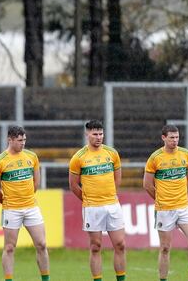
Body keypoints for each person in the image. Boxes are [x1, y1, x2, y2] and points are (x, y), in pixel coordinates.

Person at [0, 126, 50, 281]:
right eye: (19, 140)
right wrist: (8, 202)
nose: (23, 143)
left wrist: (26, 197)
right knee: (9, 247)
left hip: (31, 207)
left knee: (42, 244)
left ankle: (46, 279)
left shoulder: (31, 157)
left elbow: (36, 182)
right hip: (11, 210)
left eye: (24, 140)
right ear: (10, 139)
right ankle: (8, 279)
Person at [69, 120, 127, 281]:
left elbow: (117, 179)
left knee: (120, 244)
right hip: (92, 207)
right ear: (87, 134)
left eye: (101, 134)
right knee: (96, 246)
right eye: (95, 134)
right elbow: (73, 185)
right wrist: (89, 199)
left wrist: (109, 195)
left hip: (112, 205)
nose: (99, 137)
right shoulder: (78, 157)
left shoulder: (112, 153)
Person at [143, 125, 188, 281]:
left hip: (183, 206)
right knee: (165, 248)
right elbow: (147, 185)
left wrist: (179, 195)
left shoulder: (186, 155)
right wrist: (162, 198)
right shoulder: (155, 158)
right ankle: (163, 279)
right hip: (164, 209)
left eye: (177, 137)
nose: (175, 141)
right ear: (163, 138)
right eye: (171, 138)